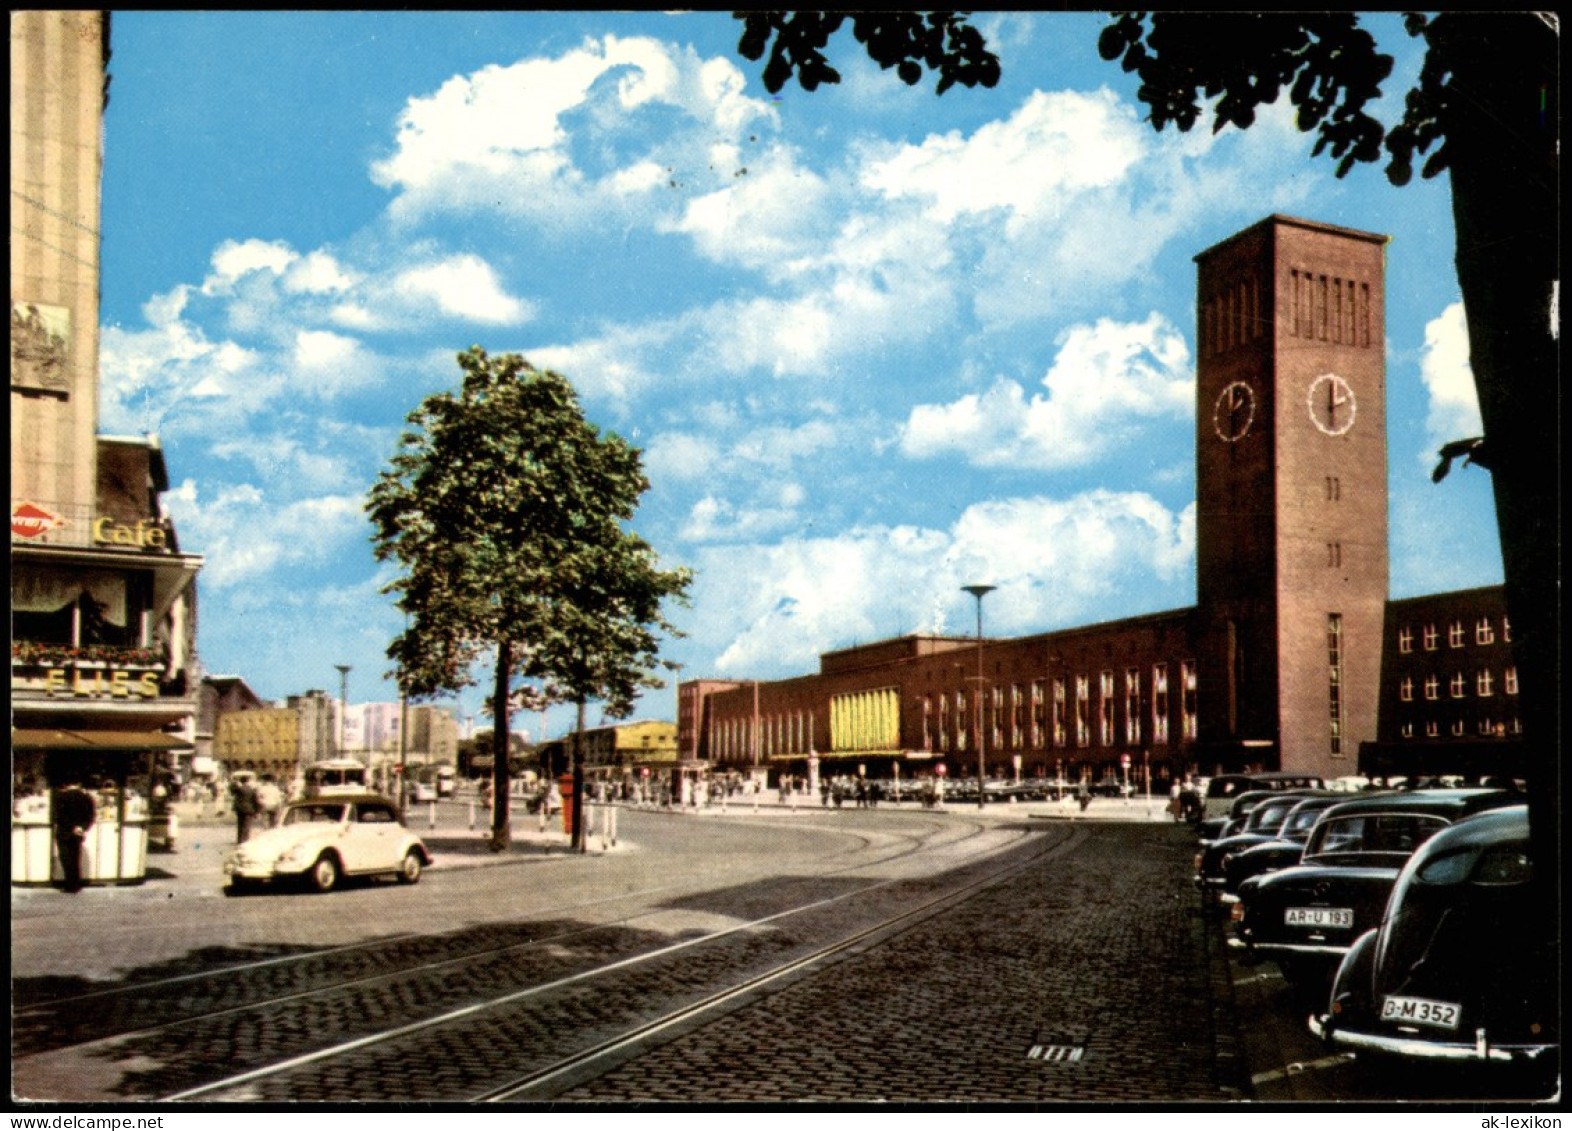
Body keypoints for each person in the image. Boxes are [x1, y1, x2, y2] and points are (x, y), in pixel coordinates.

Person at [52, 778, 97, 893]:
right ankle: (76, 883)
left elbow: (59, 816)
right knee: (75, 857)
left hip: (64, 831)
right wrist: (81, 827)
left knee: (66, 858)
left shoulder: (60, 797)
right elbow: (91, 815)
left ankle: (70, 884)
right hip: (78, 832)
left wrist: (71, 827)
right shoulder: (86, 797)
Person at [231, 776, 258, 842]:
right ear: (248, 781)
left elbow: (232, 791)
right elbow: (255, 800)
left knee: (240, 824)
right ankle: (245, 839)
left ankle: (239, 839)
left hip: (239, 809)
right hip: (249, 809)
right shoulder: (252, 790)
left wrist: (234, 782)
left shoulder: (239, 789)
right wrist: (256, 810)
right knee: (247, 825)